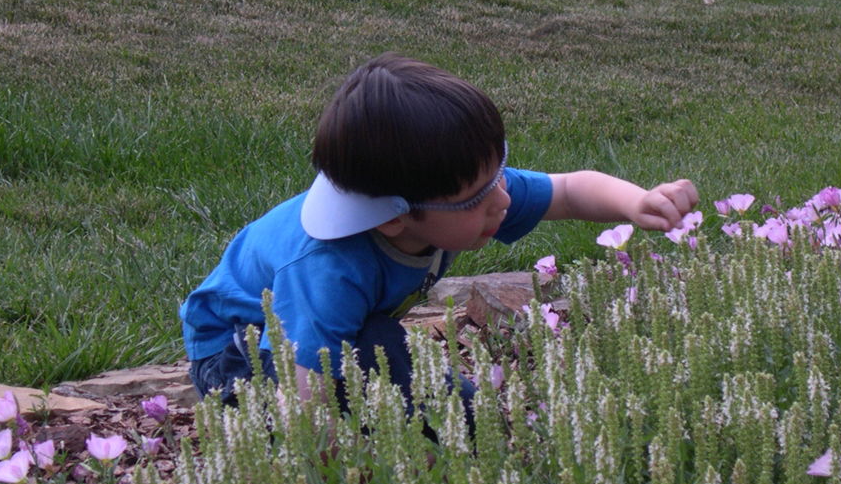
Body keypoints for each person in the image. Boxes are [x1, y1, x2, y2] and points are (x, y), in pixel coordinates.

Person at [180, 53, 697, 419]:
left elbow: (567, 190)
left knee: (457, 411)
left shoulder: (453, 191)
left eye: (501, 173)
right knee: (376, 384)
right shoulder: (328, 268)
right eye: (480, 194)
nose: (503, 199)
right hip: (240, 354)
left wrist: (636, 201)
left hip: (348, 331)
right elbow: (302, 391)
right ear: (393, 219)